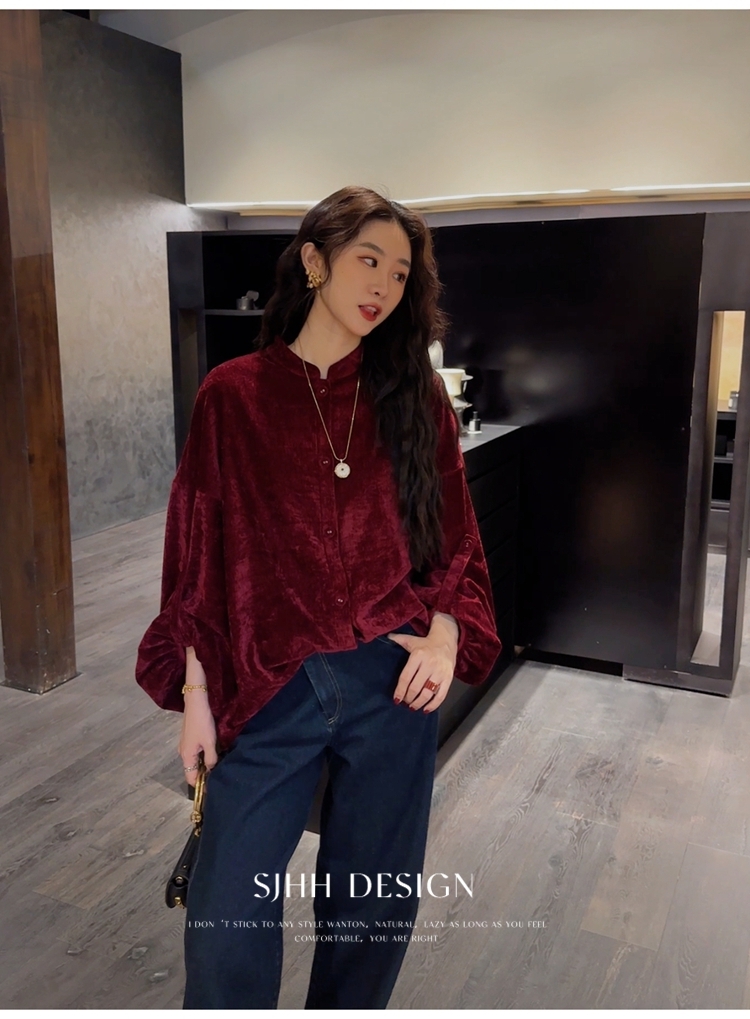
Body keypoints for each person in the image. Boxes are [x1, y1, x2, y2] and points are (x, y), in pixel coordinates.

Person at [135, 184, 502, 1009]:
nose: (383, 285)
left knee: (372, 912)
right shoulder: (233, 396)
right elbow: (196, 564)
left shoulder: (415, 398)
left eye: (400, 273)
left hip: (392, 681)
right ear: (314, 260)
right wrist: (195, 695)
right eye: (368, 259)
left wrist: (447, 634)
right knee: (227, 918)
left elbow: (455, 539)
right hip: (269, 683)